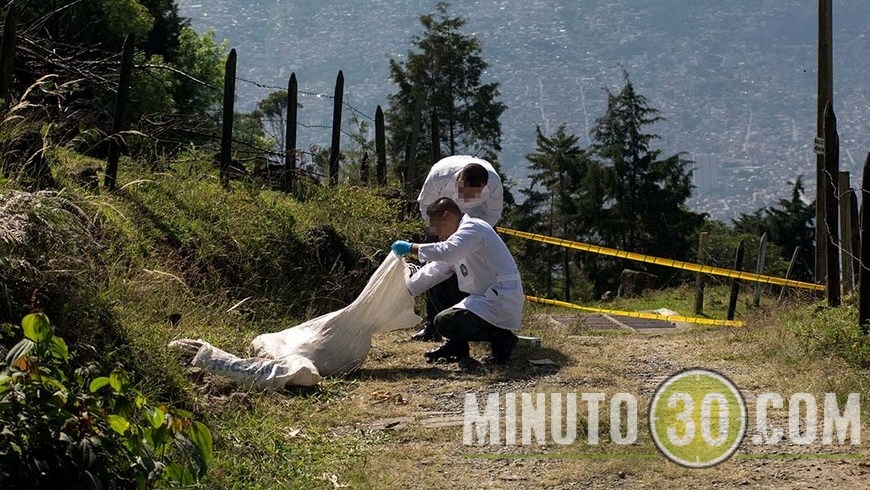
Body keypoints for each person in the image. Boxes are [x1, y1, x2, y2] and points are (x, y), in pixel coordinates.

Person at [392, 197, 523, 365]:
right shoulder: (460, 238)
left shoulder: (473, 228)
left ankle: (501, 337)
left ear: (447, 215)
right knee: (436, 287)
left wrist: (411, 248)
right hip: (484, 297)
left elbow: (448, 252)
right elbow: (436, 269)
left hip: (500, 299)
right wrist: (404, 291)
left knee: (445, 321)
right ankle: (456, 347)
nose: (438, 234)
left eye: (437, 227)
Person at [412, 155, 505, 341]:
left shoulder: (494, 185)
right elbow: (426, 206)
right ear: (459, 178)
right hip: (441, 221)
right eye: (463, 191)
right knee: (434, 269)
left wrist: (470, 238)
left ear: (483, 187)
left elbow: (493, 214)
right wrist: (439, 230)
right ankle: (433, 325)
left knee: (482, 272)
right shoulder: (439, 176)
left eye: (473, 195)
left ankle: (480, 321)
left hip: (476, 225)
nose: (466, 198)